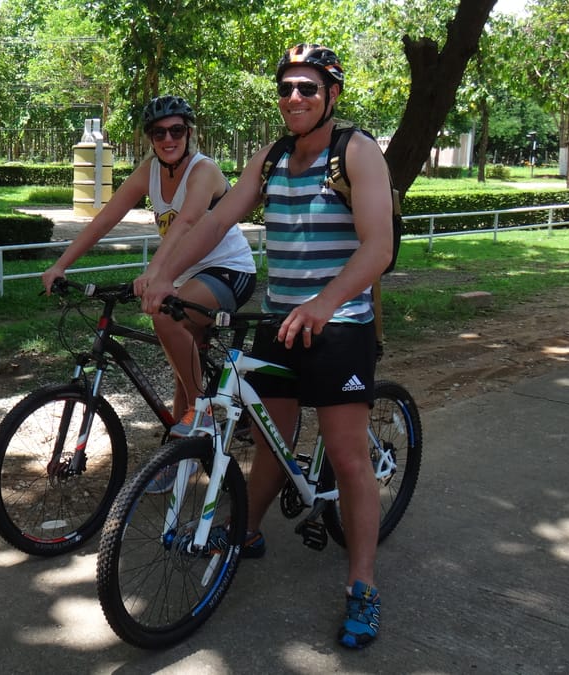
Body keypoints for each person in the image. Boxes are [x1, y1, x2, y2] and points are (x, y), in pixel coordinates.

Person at [135, 45, 394, 649]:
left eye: (307, 88)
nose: (294, 99)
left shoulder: (354, 152)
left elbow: (377, 248)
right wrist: (162, 274)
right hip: (281, 323)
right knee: (271, 441)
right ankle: (244, 530)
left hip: (341, 325)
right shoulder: (273, 157)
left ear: (332, 94)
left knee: (347, 456)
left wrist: (325, 304)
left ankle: (363, 586)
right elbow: (215, 222)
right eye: (286, 89)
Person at [42, 95, 257, 441]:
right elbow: (105, 220)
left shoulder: (204, 170)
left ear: (189, 133)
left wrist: (157, 274)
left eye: (176, 131)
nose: (168, 139)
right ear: (149, 139)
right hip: (186, 277)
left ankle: (204, 411)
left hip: (229, 271)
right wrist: (61, 265)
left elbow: (185, 222)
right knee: (181, 368)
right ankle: (179, 450)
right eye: (159, 133)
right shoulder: (150, 172)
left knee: (166, 320)